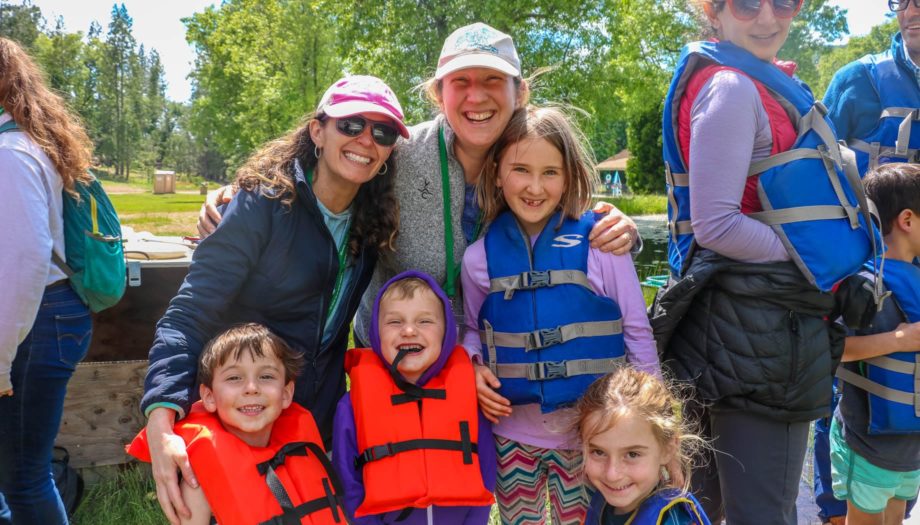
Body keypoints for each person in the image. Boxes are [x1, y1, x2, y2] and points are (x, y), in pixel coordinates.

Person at [196, 22, 641, 348]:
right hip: (390, 356)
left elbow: (570, 219)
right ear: (438, 95)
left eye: (492, 80)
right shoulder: (397, 153)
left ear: (519, 92)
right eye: (460, 82)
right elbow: (325, 170)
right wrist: (242, 194)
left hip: (496, 364)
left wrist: (617, 227)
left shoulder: (533, 162)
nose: (476, 95)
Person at [141, 75, 407, 525]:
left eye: (382, 132)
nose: (366, 139)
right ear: (317, 131)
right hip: (240, 417)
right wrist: (161, 414)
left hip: (310, 422)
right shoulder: (260, 205)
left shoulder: (372, 222)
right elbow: (189, 312)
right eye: (351, 124)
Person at [652, 1, 879, 523]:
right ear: (713, 9)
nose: (767, 18)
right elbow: (716, 224)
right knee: (764, 513)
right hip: (761, 340)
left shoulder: (757, 82)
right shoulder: (732, 88)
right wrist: (818, 262)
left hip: (729, 334)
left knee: (703, 506)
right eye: (747, 3)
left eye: (783, 2)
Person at [461, 105, 659, 524]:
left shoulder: (604, 246)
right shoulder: (478, 260)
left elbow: (637, 332)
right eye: (520, 170)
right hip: (511, 437)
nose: (535, 186)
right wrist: (472, 365)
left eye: (550, 172)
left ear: (568, 177)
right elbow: (474, 329)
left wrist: (653, 423)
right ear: (496, 173)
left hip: (594, 438)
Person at [815, 3, 920, 521]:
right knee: (844, 394)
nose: (913, 10)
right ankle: (838, 511)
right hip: (858, 276)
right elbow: (817, 176)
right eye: (905, 0)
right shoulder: (857, 81)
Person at [0, 37, 96, 525]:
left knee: (24, 475)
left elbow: (26, 263)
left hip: (34, 323)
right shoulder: (23, 144)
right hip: (42, 319)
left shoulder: (10, 153)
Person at [129, 323, 347, 525]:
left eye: (266, 376)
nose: (251, 388)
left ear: (286, 394)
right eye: (234, 378)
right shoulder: (198, 484)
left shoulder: (302, 454)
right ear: (209, 397)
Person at [332, 271, 496, 524]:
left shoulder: (468, 395)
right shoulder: (351, 406)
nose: (409, 330)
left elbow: (485, 469)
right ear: (375, 332)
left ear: (446, 332)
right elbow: (347, 483)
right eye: (394, 322)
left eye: (425, 321)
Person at [830, 163, 920, 525]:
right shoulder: (862, 285)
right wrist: (900, 339)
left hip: (910, 451)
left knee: (895, 519)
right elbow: (834, 349)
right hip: (866, 445)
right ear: (907, 220)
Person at [575, 367, 711, 525]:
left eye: (632, 454)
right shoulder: (602, 504)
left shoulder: (674, 520)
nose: (612, 475)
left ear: (667, 450)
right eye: (598, 452)